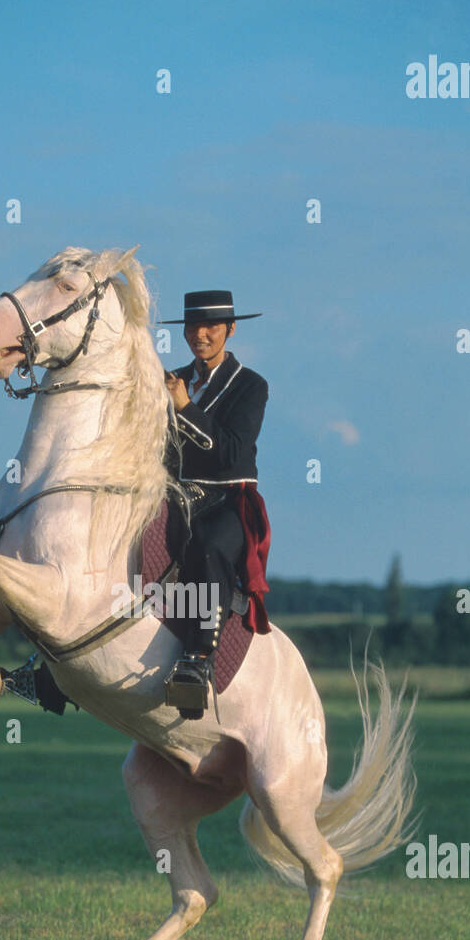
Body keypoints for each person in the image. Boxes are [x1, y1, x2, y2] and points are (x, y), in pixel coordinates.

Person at [160, 290, 271, 718]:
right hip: (173, 495)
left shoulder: (251, 386)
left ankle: (198, 660)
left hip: (228, 499)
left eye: (210, 327)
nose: (200, 334)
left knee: (208, 546)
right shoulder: (171, 377)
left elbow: (231, 452)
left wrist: (184, 407)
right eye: (193, 327)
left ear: (230, 329)